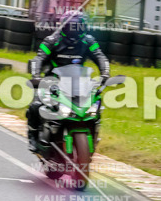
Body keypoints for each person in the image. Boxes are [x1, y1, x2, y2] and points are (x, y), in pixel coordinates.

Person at [25, 12, 110, 153]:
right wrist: (36, 76)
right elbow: (38, 59)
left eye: (77, 26)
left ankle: (94, 132)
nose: (74, 30)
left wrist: (105, 74)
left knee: (96, 102)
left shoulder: (88, 41)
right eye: (71, 26)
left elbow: (101, 57)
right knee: (35, 105)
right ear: (64, 26)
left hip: (79, 82)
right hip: (52, 82)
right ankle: (33, 137)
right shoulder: (51, 41)